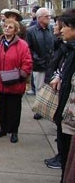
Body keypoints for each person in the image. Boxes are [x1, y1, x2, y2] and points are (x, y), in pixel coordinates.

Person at [0, 18, 32, 143]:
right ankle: (3, 129)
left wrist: (21, 75)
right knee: (2, 108)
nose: (7, 28)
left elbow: (27, 62)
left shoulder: (22, 45)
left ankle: (14, 131)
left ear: (16, 30)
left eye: (10, 27)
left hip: (15, 82)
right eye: (5, 26)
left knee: (14, 109)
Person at [49, 9, 75, 183]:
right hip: (65, 109)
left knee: (68, 152)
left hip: (70, 112)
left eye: (64, 26)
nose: (60, 30)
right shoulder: (68, 48)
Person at [44, 17, 65, 169]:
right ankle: (60, 156)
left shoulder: (68, 48)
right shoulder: (61, 44)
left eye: (57, 25)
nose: (56, 28)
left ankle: (62, 158)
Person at [26, 7, 54, 120]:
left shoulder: (51, 29)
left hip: (51, 64)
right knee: (39, 87)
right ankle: (39, 110)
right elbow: (28, 48)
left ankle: (47, 109)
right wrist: (37, 59)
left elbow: (55, 45)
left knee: (50, 89)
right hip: (38, 65)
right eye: (47, 16)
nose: (49, 18)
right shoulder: (31, 31)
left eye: (49, 16)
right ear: (39, 18)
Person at [26, 5, 41, 95]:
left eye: (33, 11)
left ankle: (34, 88)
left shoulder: (33, 25)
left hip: (35, 55)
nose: (31, 13)